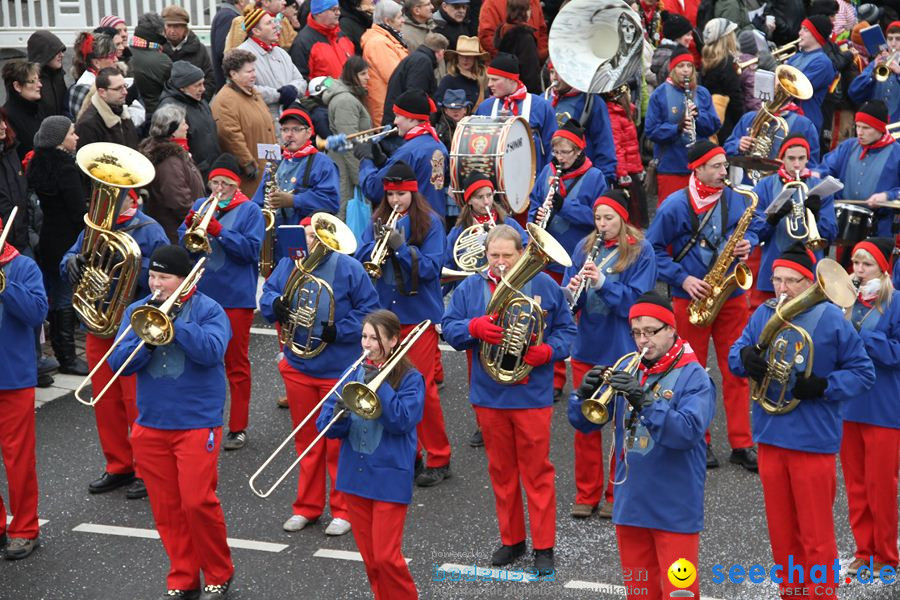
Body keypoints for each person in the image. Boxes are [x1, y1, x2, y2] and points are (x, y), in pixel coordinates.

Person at [729, 244, 875, 600]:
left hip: (812, 440)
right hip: (771, 436)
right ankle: (791, 594)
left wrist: (825, 386)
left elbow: (863, 372)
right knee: (781, 533)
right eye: (776, 280)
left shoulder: (830, 319)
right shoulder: (763, 314)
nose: (781, 289)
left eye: (791, 281)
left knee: (815, 534)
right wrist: (745, 356)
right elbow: (736, 355)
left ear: (809, 281)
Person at [443, 224, 576, 575]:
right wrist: (473, 328)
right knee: (501, 471)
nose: (500, 263)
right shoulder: (470, 287)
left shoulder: (545, 285)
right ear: (485, 255)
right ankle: (513, 540)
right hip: (489, 395)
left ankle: (544, 545)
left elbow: (567, 332)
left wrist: (548, 351)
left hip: (532, 396)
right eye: (494, 255)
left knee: (537, 473)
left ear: (520, 254)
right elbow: (449, 327)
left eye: (507, 255)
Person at [108, 245, 235, 599]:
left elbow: (212, 352)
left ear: (183, 279)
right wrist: (146, 342)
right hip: (152, 422)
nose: (156, 284)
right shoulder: (138, 311)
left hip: (197, 421)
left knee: (197, 502)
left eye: (164, 277)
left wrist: (175, 324)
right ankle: (183, 575)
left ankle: (219, 572)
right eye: (152, 276)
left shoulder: (210, 310)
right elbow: (116, 362)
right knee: (166, 507)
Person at [569, 291, 714, 598]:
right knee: (639, 592)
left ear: (671, 329)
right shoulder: (630, 367)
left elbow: (686, 433)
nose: (642, 340)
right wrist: (582, 395)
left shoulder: (695, 377)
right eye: (636, 332)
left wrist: (644, 400)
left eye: (651, 331)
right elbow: (586, 423)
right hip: (630, 504)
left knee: (680, 593)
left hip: (674, 508)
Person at [260, 214, 379, 534]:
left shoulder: (349, 267)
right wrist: (276, 305)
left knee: (339, 442)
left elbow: (370, 308)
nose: (312, 241)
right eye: (308, 236)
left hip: (338, 368)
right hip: (300, 366)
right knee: (306, 440)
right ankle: (307, 507)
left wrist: (340, 330)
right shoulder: (289, 263)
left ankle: (343, 509)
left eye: (317, 236)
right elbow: (267, 294)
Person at [646, 140, 759, 471]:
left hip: (731, 296)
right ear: (697, 169)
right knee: (691, 371)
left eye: (725, 166)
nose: (725, 172)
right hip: (690, 297)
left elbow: (745, 233)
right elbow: (652, 250)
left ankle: (742, 442)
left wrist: (745, 247)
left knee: (735, 369)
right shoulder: (673, 206)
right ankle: (699, 438)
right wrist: (683, 279)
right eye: (717, 166)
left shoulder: (735, 199)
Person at [61, 169, 168, 501]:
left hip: (132, 326)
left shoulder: (150, 231)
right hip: (100, 323)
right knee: (105, 400)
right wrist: (73, 263)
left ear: (131, 199)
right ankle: (118, 465)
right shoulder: (96, 228)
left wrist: (132, 264)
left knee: (135, 401)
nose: (99, 205)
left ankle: (145, 468)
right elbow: (69, 256)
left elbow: (167, 275)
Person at [355, 161, 452, 486]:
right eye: (391, 194)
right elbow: (362, 260)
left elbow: (431, 269)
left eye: (402, 194)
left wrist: (400, 248)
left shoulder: (432, 224)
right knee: (389, 386)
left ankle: (439, 457)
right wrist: (373, 248)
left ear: (413, 193)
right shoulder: (376, 221)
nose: (396, 200)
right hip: (386, 317)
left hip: (418, 316)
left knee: (422, 388)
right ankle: (409, 456)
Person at [317, 309, 423, 599]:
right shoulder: (351, 372)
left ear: (392, 341)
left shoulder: (411, 379)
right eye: (364, 336)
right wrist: (337, 416)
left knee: (388, 558)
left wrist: (382, 383)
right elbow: (324, 426)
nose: (367, 344)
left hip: (389, 478)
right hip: (355, 477)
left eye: (374, 338)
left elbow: (401, 421)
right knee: (372, 560)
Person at [564, 191, 657, 520]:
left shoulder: (640, 251)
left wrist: (603, 283)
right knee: (585, 423)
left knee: (623, 426)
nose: (602, 225)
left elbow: (638, 304)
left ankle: (616, 491)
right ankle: (586, 492)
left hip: (623, 350)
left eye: (609, 218)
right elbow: (566, 299)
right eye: (598, 218)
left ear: (622, 217)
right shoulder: (584, 247)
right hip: (587, 346)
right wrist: (573, 291)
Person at [178, 154, 264, 451]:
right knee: (198, 358)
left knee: (235, 363)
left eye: (224, 183)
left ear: (235, 184)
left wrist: (219, 231)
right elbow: (183, 248)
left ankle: (237, 426)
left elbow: (251, 251)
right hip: (201, 294)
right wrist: (189, 227)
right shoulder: (199, 206)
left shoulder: (250, 210)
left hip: (235, 298)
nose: (218, 189)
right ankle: (200, 418)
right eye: (214, 182)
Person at [840, 237, 900, 579]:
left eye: (866, 264)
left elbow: (895, 354)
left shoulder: (896, 303)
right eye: (855, 264)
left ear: (882, 269)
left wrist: (860, 334)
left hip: (884, 407)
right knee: (856, 485)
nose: (858, 271)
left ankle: (886, 555)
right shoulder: (844, 302)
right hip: (849, 405)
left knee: (881, 485)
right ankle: (864, 550)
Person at [0, 211, 48, 561]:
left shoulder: (22, 267)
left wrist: (5, 287)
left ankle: (25, 528)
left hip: (12, 378)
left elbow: (35, 313)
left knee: (18, 459)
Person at [24, 117, 85, 378]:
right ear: (60, 139)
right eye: (72, 133)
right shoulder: (66, 168)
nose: (76, 138)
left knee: (53, 295)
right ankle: (67, 356)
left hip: (48, 240)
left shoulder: (37, 163)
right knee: (64, 298)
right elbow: (76, 211)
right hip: (66, 242)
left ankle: (57, 351)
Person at [749, 135, 837, 309]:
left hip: (809, 268)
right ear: (781, 158)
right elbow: (753, 232)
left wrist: (815, 215)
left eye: (802, 158)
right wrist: (772, 219)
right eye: (791, 158)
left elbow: (831, 234)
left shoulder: (819, 187)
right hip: (773, 266)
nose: (797, 164)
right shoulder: (765, 186)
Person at [251, 106, 340, 261]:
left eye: (296, 129)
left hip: (306, 242)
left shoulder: (322, 162)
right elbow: (258, 201)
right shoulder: (275, 163)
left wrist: (293, 200)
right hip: (273, 241)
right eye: (285, 130)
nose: (289, 135)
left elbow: (331, 202)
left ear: (309, 133)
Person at [645, 46, 721, 205]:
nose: (685, 70)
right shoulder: (659, 94)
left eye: (689, 66)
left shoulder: (701, 93)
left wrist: (698, 116)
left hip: (700, 168)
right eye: (680, 66)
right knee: (671, 213)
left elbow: (714, 125)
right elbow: (651, 130)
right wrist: (676, 128)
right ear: (672, 69)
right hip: (671, 167)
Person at [357, 89, 449, 218]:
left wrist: (366, 160)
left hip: (414, 225)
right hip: (436, 221)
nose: (395, 122)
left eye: (398, 116)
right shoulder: (439, 145)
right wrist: (382, 161)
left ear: (411, 118)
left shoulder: (408, 151)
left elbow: (374, 189)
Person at [815, 101, 900, 238]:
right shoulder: (848, 146)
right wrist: (815, 174)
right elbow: (826, 168)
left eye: (866, 128)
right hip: (842, 221)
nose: (859, 133)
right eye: (858, 126)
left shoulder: (897, 153)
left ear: (880, 128)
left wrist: (887, 196)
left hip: (880, 227)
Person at [211, 48, 277, 198]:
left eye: (254, 70)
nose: (254, 75)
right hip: (250, 173)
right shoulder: (226, 100)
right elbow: (230, 135)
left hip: (266, 166)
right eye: (249, 72)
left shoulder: (253, 93)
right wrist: (247, 163)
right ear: (233, 74)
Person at [475, 53, 557, 173]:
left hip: (532, 183)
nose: (489, 84)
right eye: (489, 79)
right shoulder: (485, 107)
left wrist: (544, 183)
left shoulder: (541, 106)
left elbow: (552, 149)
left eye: (495, 79)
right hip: (493, 183)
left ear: (511, 79)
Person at [139, 104, 207, 243]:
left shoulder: (174, 152)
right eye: (183, 123)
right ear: (173, 131)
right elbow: (178, 201)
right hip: (177, 232)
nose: (187, 127)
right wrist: (199, 221)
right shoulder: (169, 161)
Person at [543, 64, 618, 184]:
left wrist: (605, 179)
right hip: (549, 176)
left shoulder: (591, 102)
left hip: (582, 179)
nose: (554, 78)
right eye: (552, 72)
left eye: (560, 72)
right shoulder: (543, 101)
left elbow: (604, 144)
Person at [237, 8, 308, 120]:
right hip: (262, 121)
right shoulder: (241, 54)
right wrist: (279, 95)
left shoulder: (281, 52)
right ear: (256, 31)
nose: (275, 26)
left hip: (289, 119)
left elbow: (301, 81)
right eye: (269, 23)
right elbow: (243, 88)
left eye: (274, 21)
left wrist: (293, 89)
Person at [323, 56, 373, 212]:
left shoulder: (349, 97)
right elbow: (349, 142)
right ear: (353, 75)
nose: (368, 77)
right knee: (345, 210)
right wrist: (360, 176)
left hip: (345, 163)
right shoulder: (345, 101)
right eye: (363, 74)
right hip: (346, 166)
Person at [158, 61, 222, 180]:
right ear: (182, 87)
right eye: (197, 85)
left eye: (203, 84)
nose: (203, 89)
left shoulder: (200, 102)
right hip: (194, 175)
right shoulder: (171, 110)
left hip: (211, 172)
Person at [604, 85, 647, 227]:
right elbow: (618, 148)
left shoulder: (625, 113)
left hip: (632, 170)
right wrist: (622, 174)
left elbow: (633, 146)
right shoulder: (614, 116)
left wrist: (639, 168)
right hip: (626, 174)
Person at [784, 16, 837, 133]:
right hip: (787, 116)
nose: (800, 33)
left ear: (816, 34)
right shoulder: (797, 56)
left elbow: (797, 88)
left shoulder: (822, 62)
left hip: (805, 119)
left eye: (805, 29)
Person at [382, 33, 448, 125]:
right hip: (403, 124)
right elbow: (415, 96)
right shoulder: (423, 62)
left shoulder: (416, 58)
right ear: (441, 52)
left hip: (399, 120)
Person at [361, 0, 409, 127]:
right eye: (399, 17)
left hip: (395, 111)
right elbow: (395, 77)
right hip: (387, 115)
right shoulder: (378, 43)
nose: (403, 20)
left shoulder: (389, 39)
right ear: (388, 21)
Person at [74, 67, 141, 150]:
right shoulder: (87, 125)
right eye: (118, 88)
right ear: (102, 92)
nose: (125, 92)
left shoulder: (121, 111)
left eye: (125, 86)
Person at [699, 18, 742, 142]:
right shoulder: (727, 63)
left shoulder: (707, 61)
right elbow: (735, 98)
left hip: (713, 120)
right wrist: (742, 123)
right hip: (727, 124)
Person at [161, 5, 215, 101]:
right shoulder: (158, 48)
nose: (172, 31)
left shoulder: (199, 49)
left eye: (176, 26)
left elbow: (209, 79)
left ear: (185, 28)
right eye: (169, 26)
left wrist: (200, 103)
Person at [849, 21, 900, 123]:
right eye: (890, 39)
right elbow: (854, 93)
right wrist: (872, 74)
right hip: (877, 122)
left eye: (898, 39)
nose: (893, 43)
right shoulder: (877, 63)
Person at [290, 0, 355, 80]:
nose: (338, 13)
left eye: (338, 9)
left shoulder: (342, 36)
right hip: (327, 92)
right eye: (334, 9)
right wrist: (330, 86)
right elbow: (301, 81)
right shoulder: (302, 43)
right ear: (319, 13)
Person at [129, 13, 173, 116]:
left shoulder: (125, 53)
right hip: (155, 114)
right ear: (160, 33)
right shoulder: (162, 61)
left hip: (129, 113)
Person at [67, 31, 119, 119]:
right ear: (96, 63)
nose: (116, 59)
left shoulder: (97, 80)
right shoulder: (87, 88)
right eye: (111, 56)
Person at [493, 0, 540, 93]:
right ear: (524, 12)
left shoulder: (503, 31)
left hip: (505, 89)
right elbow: (530, 72)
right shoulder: (525, 37)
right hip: (522, 93)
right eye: (529, 9)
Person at [2, 60, 44, 162]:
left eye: (39, 80)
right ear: (17, 86)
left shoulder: (37, 108)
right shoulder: (8, 117)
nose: (40, 85)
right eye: (32, 81)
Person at [478, 0, 547, 61]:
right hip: (504, 69)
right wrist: (509, 60)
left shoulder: (534, 2)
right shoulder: (491, 3)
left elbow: (542, 32)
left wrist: (536, 57)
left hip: (532, 64)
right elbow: (486, 37)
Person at [647, 11, 694, 93]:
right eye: (688, 35)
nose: (691, 38)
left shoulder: (662, 53)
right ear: (676, 36)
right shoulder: (674, 58)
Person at [225, 0, 299, 53]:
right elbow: (233, 59)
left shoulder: (283, 20)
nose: (285, 2)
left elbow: (296, 46)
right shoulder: (242, 23)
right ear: (266, 2)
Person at [436, 35, 489, 109]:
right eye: (462, 56)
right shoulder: (449, 80)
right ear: (457, 57)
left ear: (475, 58)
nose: (465, 59)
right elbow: (438, 106)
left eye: (469, 56)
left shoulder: (485, 78)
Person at [26, 31, 67, 118]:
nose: (62, 55)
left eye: (61, 51)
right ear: (43, 54)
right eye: (56, 52)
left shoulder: (58, 76)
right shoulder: (30, 83)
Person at [211, 0, 246, 90]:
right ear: (241, 1)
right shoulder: (229, 16)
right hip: (228, 82)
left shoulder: (227, 14)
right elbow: (223, 50)